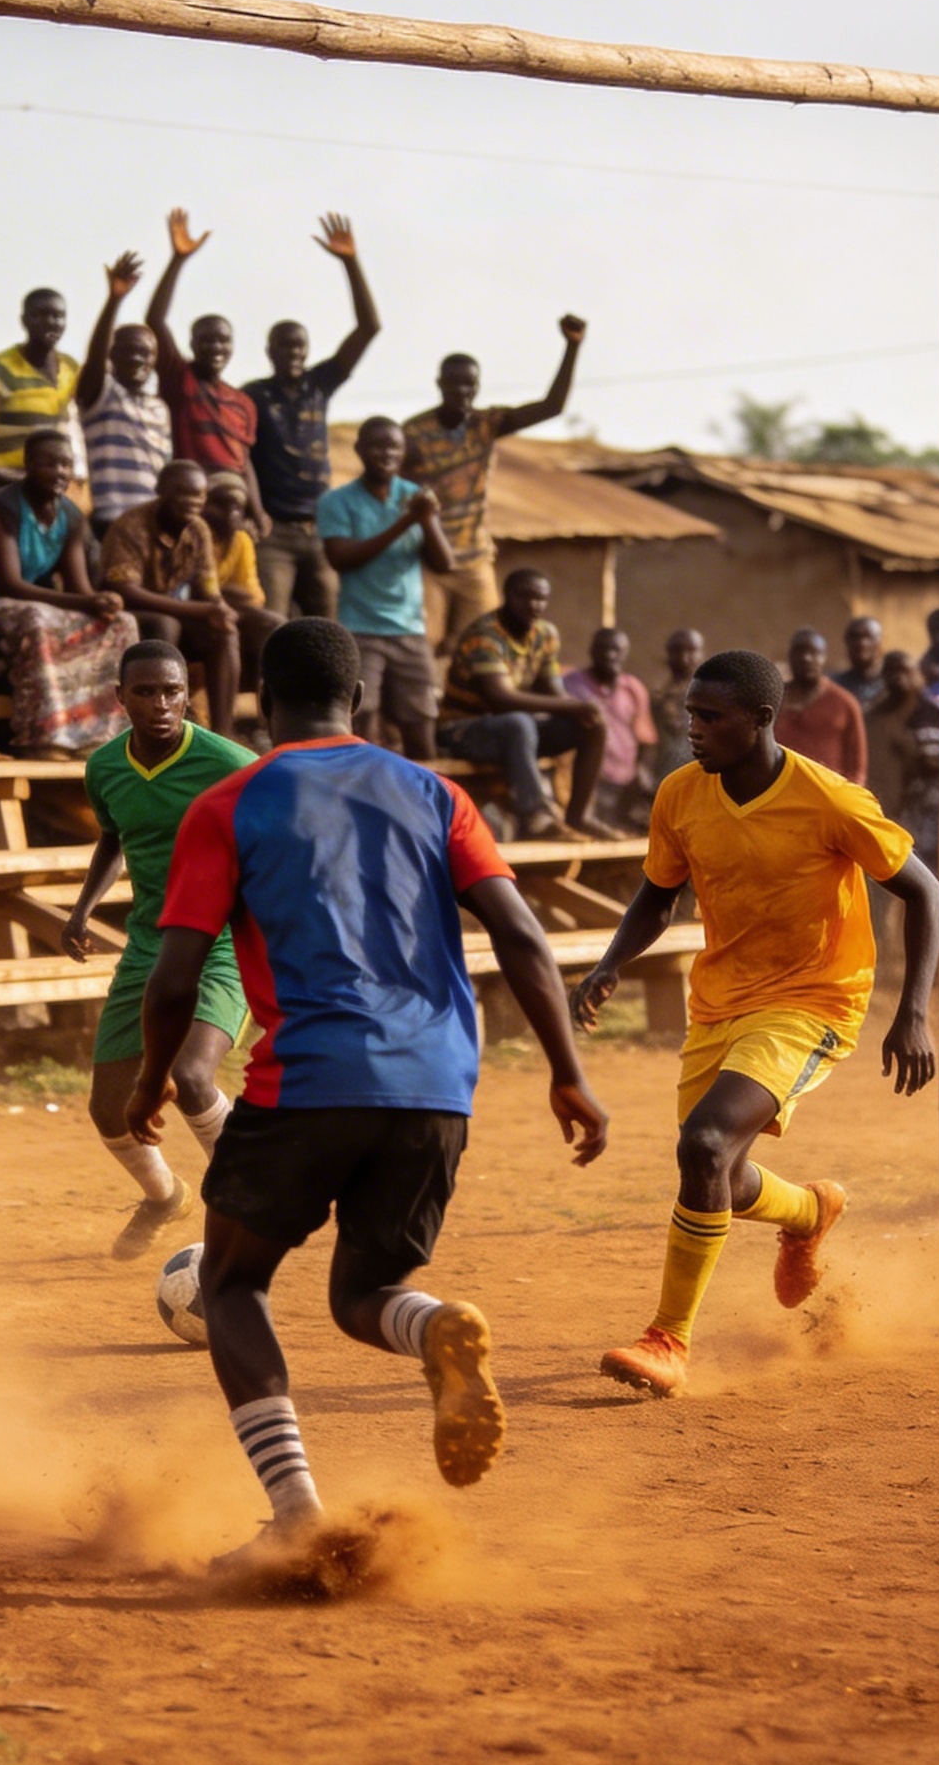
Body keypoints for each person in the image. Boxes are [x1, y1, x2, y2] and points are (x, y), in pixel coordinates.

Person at [130, 618, 608, 1567]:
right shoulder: (436, 793)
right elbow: (520, 934)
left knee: (231, 1283)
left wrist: (151, 1081)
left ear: (262, 700)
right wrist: (567, 1069)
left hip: (309, 1078)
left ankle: (297, 1514)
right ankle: (431, 1328)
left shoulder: (231, 802)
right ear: (358, 699)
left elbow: (176, 975)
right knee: (365, 1292)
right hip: (437, 1084)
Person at [570, 649, 939, 1398]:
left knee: (705, 1143)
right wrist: (611, 962)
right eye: (690, 715)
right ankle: (808, 1211)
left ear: (762, 720)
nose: (693, 730)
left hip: (814, 999)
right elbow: (657, 896)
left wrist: (913, 1012)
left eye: (711, 717)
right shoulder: (681, 793)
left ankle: (668, 1340)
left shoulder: (829, 799)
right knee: (718, 1173)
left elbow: (924, 892)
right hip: (720, 1001)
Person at [63, 640, 250, 1257]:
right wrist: (83, 909)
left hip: (221, 945)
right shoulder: (105, 767)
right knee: (109, 1110)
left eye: (172, 691)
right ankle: (165, 1197)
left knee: (191, 1077)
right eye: (145, 692)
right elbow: (113, 839)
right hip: (150, 946)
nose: (161, 704)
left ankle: (247, 1202)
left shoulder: (231, 764)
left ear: (187, 695)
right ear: (120, 697)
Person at [401, 316, 586, 648]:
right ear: (440, 384)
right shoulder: (414, 433)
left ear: (478, 387)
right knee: (424, 644)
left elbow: (552, 406)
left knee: (482, 644)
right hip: (427, 561)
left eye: (469, 384)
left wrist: (572, 347)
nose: (462, 391)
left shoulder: (485, 425)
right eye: (454, 383)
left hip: (475, 560)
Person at [245, 213, 381, 620]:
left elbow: (369, 327)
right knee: (274, 621)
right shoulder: (253, 395)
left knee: (329, 623)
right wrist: (255, 511)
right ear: (269, 352)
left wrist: (350, 262)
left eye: (299, 347)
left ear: (307, 350)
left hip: (319, 528)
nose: (293, 354)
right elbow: (241, 456)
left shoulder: (319, 385)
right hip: (273, 531)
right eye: (284, 347)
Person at [0, 429, 138, 758]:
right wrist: (86, 601)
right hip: (0, 602)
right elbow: (9, 583)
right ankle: (45, 737)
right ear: (28, 464)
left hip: (45, 601)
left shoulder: (70, 513)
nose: (60, 473)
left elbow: (78, 585)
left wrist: (101, 602)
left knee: (121, 623)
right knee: (36, 619)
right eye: (49, 464)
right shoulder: (3, 506)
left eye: (66, 465)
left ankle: (101, 735)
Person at [437, 570, 610, 839]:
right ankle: (536, 817)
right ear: (507, 596)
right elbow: (500, 698)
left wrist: (582, 709)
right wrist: (573, 707)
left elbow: (553, 691)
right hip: (462, 731)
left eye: (541, 598)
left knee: (593, 726)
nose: (534, 605)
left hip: (513, 732)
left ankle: (579, 816)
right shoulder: (484, 636)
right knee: (519, 722)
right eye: (526, 597)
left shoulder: (545, 634)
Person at [317, 415, 451, 761]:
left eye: (394, 447)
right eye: (377, 446)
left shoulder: (416, 497)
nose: (386, 453)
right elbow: (341, 558)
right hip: (361, 629)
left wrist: (427, 519)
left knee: (421, 724)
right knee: (361, 721)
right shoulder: (337, 501)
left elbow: (444, 564)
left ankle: (426, 793)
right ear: (359, 449)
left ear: (403, 452)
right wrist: (407, 521)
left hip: (410, 630)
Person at [99, 460, 242, 738]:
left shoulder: (198, 529)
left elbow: (209, 589)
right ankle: (166, 724)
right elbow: (125, 589)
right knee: (166, 624)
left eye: (198, 495)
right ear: (161, 491)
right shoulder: (131, 525)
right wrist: (202, 609)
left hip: (172, 610)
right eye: (183, 494)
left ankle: (223, 732)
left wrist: (221, 610)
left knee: (224, 630)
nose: (192, 502)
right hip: (128, 612)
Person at [144, 210, 262, 529]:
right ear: (192, 344)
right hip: (194, 492)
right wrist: (178, 260)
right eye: (207, 340)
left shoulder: (243, 403)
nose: (216, 347)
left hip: (235, 497)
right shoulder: (180, 379)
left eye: (223, 341)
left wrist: (258, 511)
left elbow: (244, 461)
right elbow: (155, 320)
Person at [75, 252, 171, 535]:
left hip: (153, 523)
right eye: (127, 350)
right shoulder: (102, 393)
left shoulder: (159, 408)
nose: (136, 358)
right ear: (112, 355)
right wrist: (114, 300)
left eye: (145, 352)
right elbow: (95, 356)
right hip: (111, 520)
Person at [0, 285, 86, 476]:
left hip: (59, 481)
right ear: (24, 321)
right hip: (8, 481)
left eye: (58, 316)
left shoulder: (72, 368)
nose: (51, 322)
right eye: (41, 315)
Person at [564, 628, 657, 826]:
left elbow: (645, 737)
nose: (609, 655)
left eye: (616, 650)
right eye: (603, 649)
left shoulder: (633, 688)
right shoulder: (571, 684)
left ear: (625, 653)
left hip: (624, 783)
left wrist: (640, 771)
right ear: (592, 651)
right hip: (586, 782)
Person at [865, 649, 939, 867]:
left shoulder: (929, 713)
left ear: (916, 674)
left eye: (904, 671)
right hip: (884, 807)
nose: (898, 677)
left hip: (926, 809)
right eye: (891, 671)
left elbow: (935, 762)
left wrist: (908, 748)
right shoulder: (874, 715)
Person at [203, 477, 284, 677]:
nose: (230, 513)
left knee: (274, 622)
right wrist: (222, 594)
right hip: (196, 608)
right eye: (220, 505)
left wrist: (221, 593)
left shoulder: (241, 540)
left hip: (227, 606)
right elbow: (200, 589)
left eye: (237, 508)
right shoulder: (197, 533)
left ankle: (264, 692)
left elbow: (254, 596)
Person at [776, 628, 867, 783]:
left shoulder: (845, 704)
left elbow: (857, 767)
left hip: (828, 792)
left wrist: (849, 793)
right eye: (799, 651)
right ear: (790, 656)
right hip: (782, 790)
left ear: (824, 657)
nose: (806, 658)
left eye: (813, 653)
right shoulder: (774, 700)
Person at [650, 627, 704, 783]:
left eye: (691, 650)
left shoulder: (711, 698)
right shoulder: (657, 698)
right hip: (665, 778)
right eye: (677, 650)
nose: (684, 657)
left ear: (701, 654)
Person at [832, 616, 888, 710]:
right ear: (846, 643)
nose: (861, 643)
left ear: (879, 642)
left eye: (868, 637)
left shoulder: (890, 684)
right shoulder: (836, 685)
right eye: (855, 637)